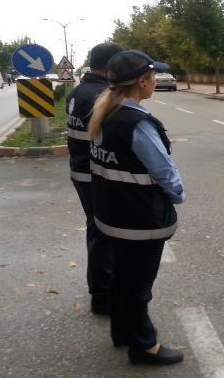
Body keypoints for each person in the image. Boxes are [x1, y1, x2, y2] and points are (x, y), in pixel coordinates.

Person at [87, 49, 185, 366]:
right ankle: (144, 346)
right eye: (154, 76)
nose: (156, 81)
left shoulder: (104, 113)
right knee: (138, 286)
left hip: (111, 215)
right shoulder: (137, 123)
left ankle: (122, 332)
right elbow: (165, 172)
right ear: (143, 81)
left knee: (122, 278)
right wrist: (178, 195)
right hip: (139, 221)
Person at [66, 42, 124, 316]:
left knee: (97, 230)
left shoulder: (78, 91)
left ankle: (101, 292)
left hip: (81, 172)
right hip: (98, 176)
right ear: (112, 65)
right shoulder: (103, 95)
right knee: (106, 234)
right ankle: (103, 295)